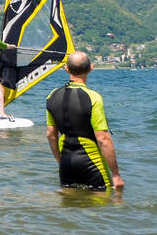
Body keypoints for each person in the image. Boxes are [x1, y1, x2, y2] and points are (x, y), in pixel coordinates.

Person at [45, 52, 123, 191]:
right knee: (104, 205)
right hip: (92, 163)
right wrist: (116, 174)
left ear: (67, 69)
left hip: (66, 163)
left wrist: (60, 161)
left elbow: (51, 135)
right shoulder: (93, 97)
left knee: (70, 205)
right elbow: (103, 138)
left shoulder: (52, 96)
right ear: (91, 68)